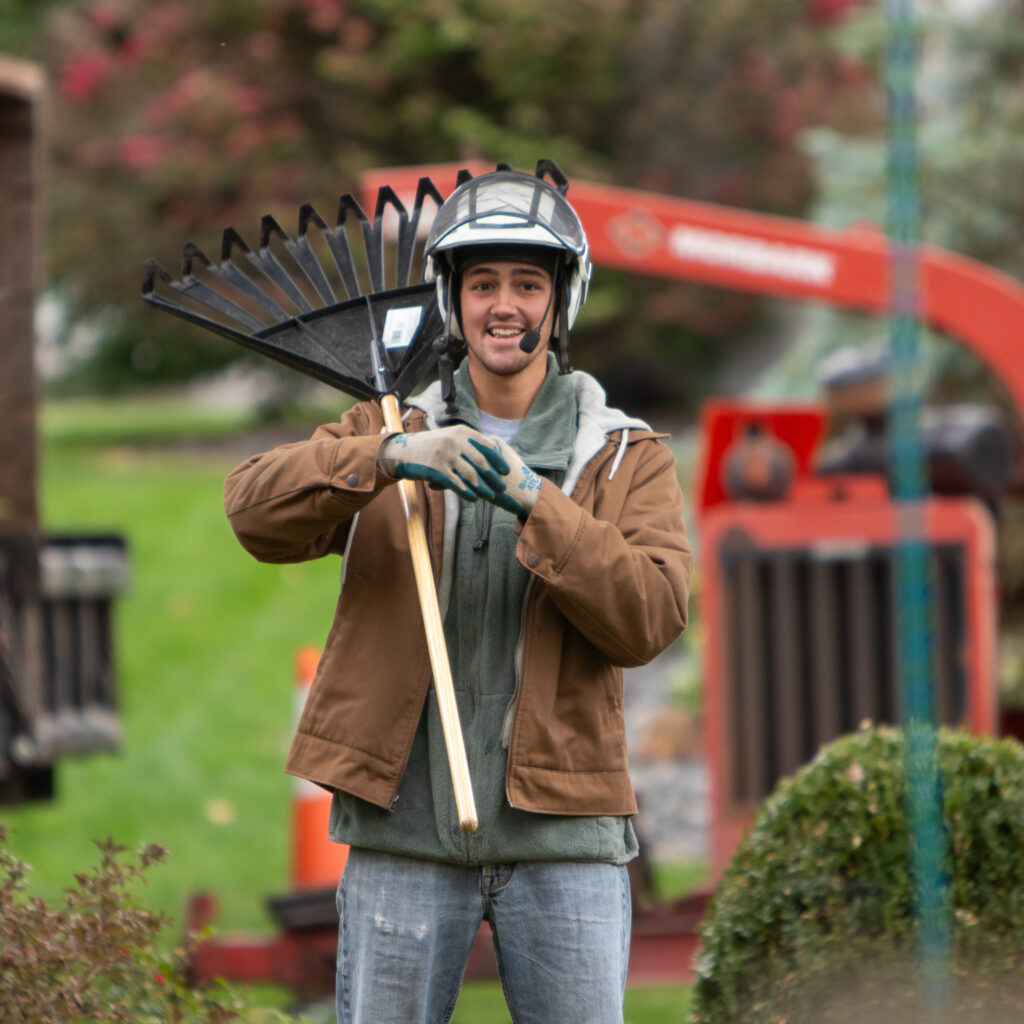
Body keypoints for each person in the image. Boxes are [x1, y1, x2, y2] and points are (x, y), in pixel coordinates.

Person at [223, 166, 692, 1024]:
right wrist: (389, 460)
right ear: (452, 298)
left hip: (565, 845)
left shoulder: (625, 455)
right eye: (482, 284)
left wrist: (537, 504)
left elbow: (649, 617)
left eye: (526, 282)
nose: (503, 305)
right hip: (403, 835)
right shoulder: (390, 424)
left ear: (562, 299)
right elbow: (252, 512)